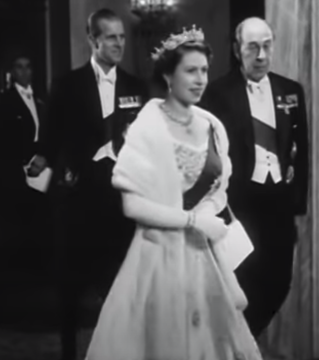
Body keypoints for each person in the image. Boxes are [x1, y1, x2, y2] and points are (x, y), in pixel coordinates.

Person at [84, 26, 262, 360]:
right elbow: (132, 204)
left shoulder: (211, 125)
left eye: (205, 70)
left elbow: (219, 188)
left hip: (204, 257)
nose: (200, 79)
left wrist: (209, 210)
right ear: (168, 75)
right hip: (158, 257)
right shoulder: (147, 127)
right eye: (190, 71)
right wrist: (193, 220)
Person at [29, 8, 149, 360]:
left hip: (120, 203)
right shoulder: (66, 85)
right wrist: (41, 161)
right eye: (111, 37)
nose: (119, 44)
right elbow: (50, 139)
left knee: (122, 287)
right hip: (79, 202)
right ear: (92, 39)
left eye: (122, 37)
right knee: (71, 289)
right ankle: (69, 352)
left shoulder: (136, 87)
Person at [200, 17, 309, 337]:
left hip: (279, 201)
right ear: (237, 50)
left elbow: (301, 151)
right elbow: (211, 156)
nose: (261, 55)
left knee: (279, 283)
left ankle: (245, 341)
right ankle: (240, 348)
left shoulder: (291, 91)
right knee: (244, 283)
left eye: (266, 46)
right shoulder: (218, 93)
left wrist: (298, 204)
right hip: (241, 204)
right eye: (252, 47)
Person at [0, 53, 51, 269]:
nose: (24, 72)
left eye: (27, 67)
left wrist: (43, 156)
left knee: (39, 216)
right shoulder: (4, 101)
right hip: (15, 166)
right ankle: (16, 267)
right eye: (19, 67)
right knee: (16, 218)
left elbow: (48, 131)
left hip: (40, 165)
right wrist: (29, 158)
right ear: (12, 72)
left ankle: (37, 263)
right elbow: (3, 137)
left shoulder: (41, 98)